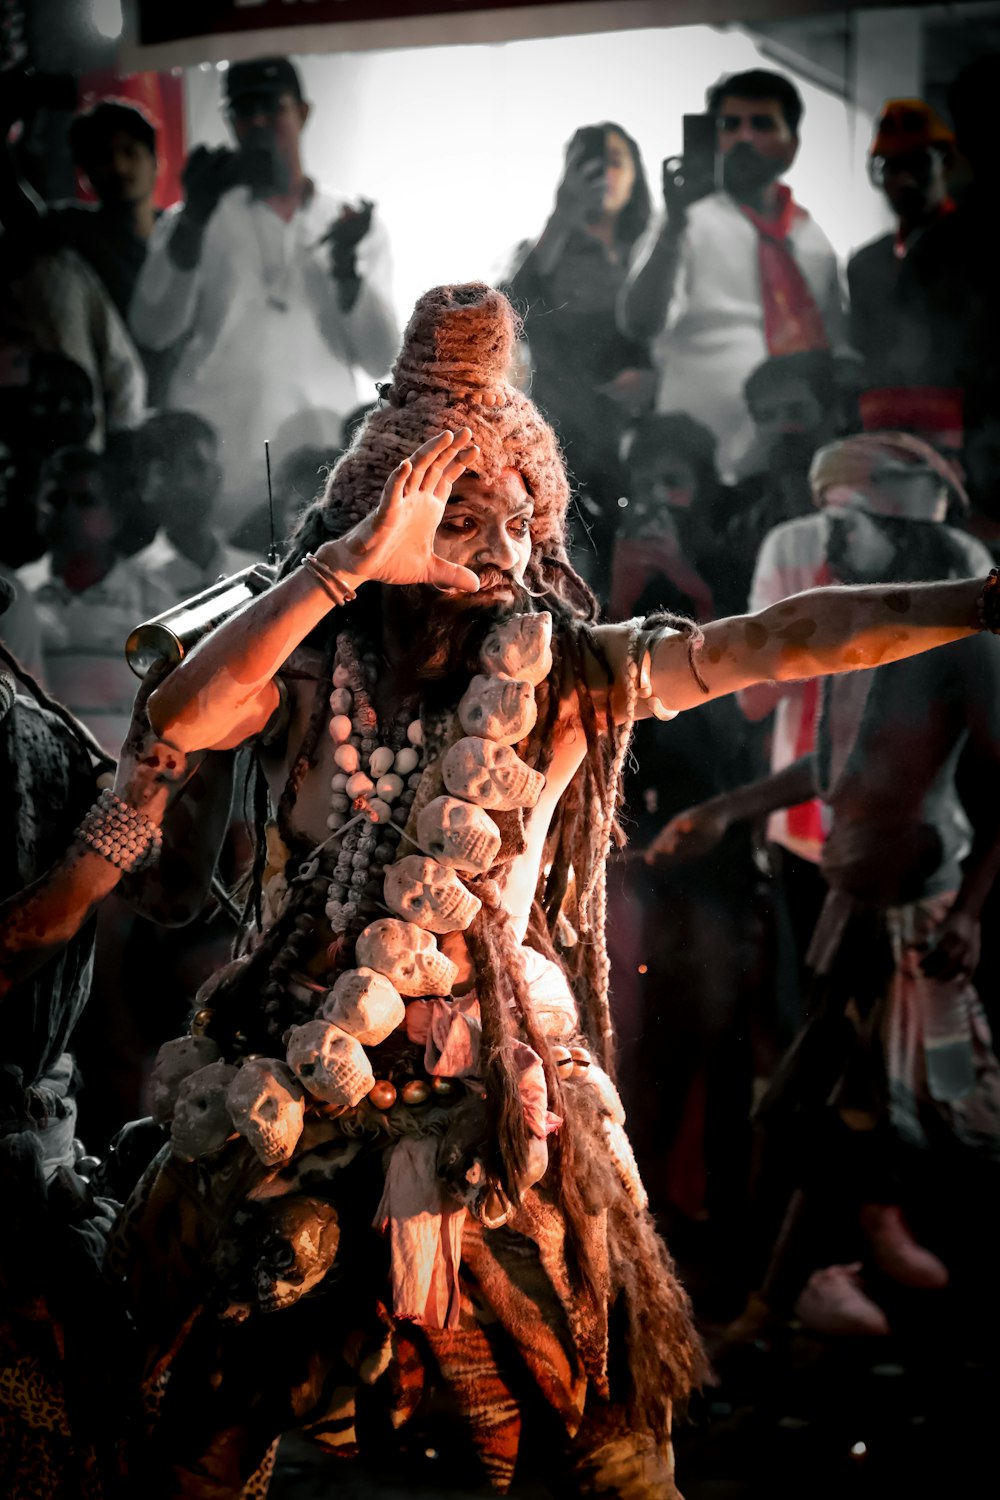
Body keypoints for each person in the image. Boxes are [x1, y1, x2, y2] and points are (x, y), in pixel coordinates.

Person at [115, 283, 993, 1499]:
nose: (502, 548)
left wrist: (978, 602)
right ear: (387, 518)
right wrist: (343, 568)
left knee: (603, 1450)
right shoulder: (307, 658)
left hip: (500, 1120)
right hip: (291, 1101)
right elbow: (180, 714)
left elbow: (785, 637)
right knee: (195, 1448)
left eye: (524, 514)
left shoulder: (571, 672)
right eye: (460, 517)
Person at [649, 451, 1000, 1337]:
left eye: (848, 520)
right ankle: (795, 1290)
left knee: (943, 1113)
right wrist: (727, 810)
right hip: (849, 903)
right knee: (829, 1111)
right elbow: (831, 767)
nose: (829, 537)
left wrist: (968, 915)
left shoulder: (963, 646)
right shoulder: (856, 638)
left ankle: (791, 1296)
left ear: (904, 531)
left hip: (918, 911)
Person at [0, 622, 235, 1500]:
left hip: (43, 1151)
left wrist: (203, 746)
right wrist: (131, 805)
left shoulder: (33, 722)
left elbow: (169, 890)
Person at [130, 56, 398, 526]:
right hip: (217, 458)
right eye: (242, 110)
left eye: (271, 107)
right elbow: (152, 329)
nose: (257, 123)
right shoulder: (191, 218)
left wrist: (345, 269)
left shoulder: (350, 222)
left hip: (321, 452)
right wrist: (193, 221)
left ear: (303, 112)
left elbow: (382, 358)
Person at [620, 69, 844, 477]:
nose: (743, 137)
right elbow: (639, 323)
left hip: (794, 463)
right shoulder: (683, 223)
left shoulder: (814, 240)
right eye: (729, 125)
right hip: (696, 464)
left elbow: (833, 348)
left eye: (761, 124)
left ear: (791, 144)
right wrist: (673, 227)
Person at [502, 122, 654, 598]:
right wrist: (561, 217)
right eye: (587, 166)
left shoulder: (653, 246)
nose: (602, 177)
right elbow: (511, 307)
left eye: (614, 163)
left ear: (635, 176)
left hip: (645, 435)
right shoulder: (545, 255)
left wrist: (657, 380)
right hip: (563, 430)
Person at [19, 446, 175, 755]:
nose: (68, 512)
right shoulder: (15, 595)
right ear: (38, 508)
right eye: (56, 500)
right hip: (36, 779)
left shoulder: (153, 601)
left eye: (86, 501)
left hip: (119, 786)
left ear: (115, 516)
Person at [0, 92, 160, 321]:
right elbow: (20, 223)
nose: (119, 167)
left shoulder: (181, 233)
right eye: (103, 157)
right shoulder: (72, 227)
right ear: (85, 175)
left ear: (155, 160)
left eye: (130, 151)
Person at [847, 99, 956, 395]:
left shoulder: (976, 249)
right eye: (891, 167)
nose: (904, 181)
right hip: (888, 418)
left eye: (916, 164)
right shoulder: (866, 264)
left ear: (944, 162)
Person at [608, 411, 726, 622]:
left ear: (702, 486)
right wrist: (622, 589)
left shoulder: (729, 558)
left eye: (673, 481)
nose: (660, 496)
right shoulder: (620, 551)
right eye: (645, 485)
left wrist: (680, 572)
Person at [133, 411, 260, 600]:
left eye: (199, 466)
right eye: (171, 470)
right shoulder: (133, 585)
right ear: (152, 480)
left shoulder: (254, 572)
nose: (186, 483)